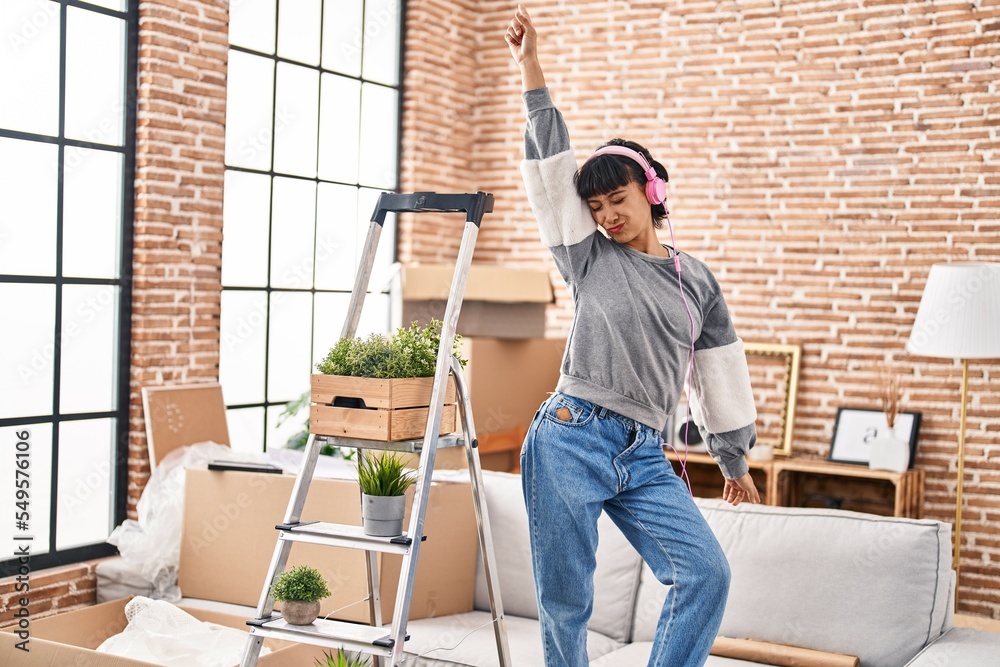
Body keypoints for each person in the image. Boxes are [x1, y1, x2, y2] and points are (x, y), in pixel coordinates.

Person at [505, 5, 761, 666]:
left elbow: (719, 372)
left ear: (650, 189)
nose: (607, 215)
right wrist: (531, 67)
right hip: (570, 435)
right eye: (595, 207)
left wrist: (732, 457)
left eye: (617, 199)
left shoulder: (695, 280)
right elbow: (551, 170)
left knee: (706, 574)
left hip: (645, 453)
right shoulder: (588, 256)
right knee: (567, 603)